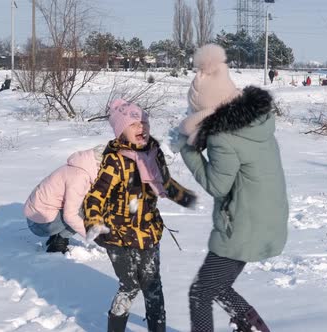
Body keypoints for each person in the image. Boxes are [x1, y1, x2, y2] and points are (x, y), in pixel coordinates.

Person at [177, 44, 288, 332]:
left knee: (200, 292)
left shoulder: (223, 136)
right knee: (220, 285)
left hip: (242, 226)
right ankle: (254, 327)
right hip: (266, 220)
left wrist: (187, 150)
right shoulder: (256, 122)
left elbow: (217, 185)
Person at [84, 98, 196, 332]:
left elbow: (164, 183)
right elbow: (96, 196)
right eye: (134, 124)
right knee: (130, 286)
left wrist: (188, 199)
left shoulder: (153, 155)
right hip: (118, 236)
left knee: (153, 286)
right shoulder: (115, 160)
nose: (142, 128)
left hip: (148, 233)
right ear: (121, 130)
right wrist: (94, 221)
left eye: (144, 122)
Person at [24, 146, 104, 253]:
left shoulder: (79, 167)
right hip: (40, 225)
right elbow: (70, 216)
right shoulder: (79, 177)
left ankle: (56, 236)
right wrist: (97, 237)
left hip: (37, 219)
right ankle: (59, 242)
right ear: (99, 164)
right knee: (87, 209)